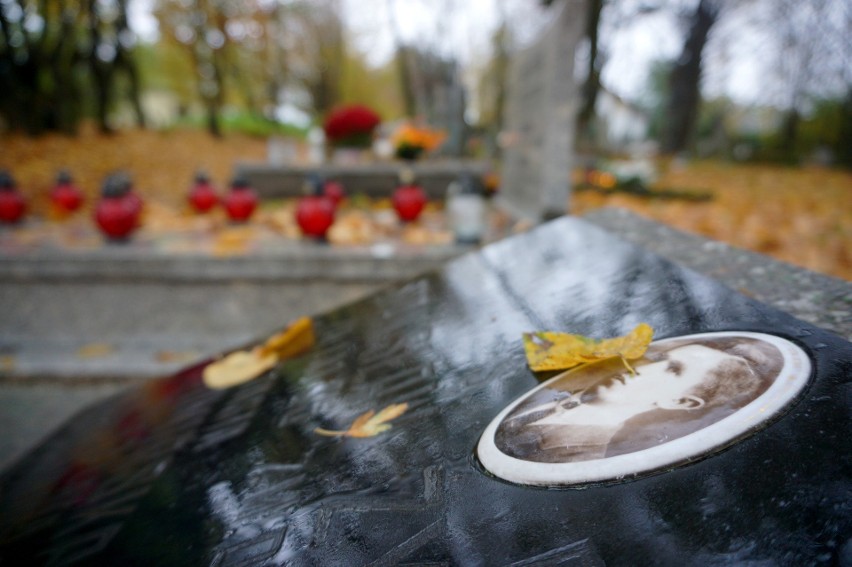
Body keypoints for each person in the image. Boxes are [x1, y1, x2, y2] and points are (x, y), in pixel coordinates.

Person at [494, 337, 783, 464]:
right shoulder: (546, 401)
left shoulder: (576, 455)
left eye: (673, 369)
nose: (645, 366)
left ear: (683, 402)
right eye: (661, 359)